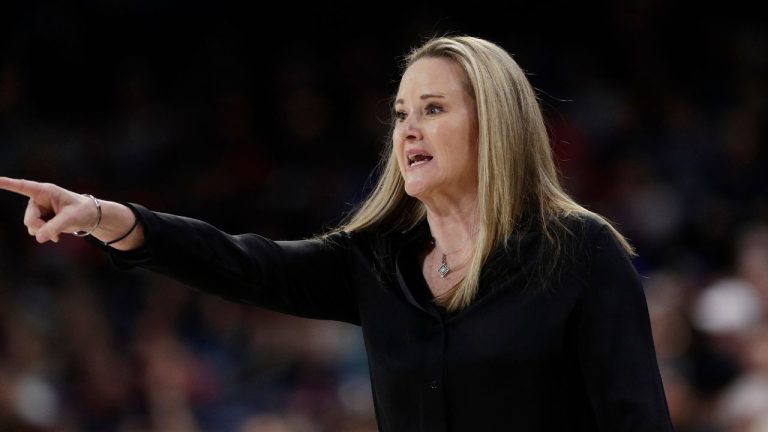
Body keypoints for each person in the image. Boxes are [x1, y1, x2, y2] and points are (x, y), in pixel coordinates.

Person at [0, 36, 674, 431]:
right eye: (401, 112)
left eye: (433, 109)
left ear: (496, 123)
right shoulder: (376, 262)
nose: (407, 128)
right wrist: (101, 214)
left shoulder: (581, 254)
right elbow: (242, 264)